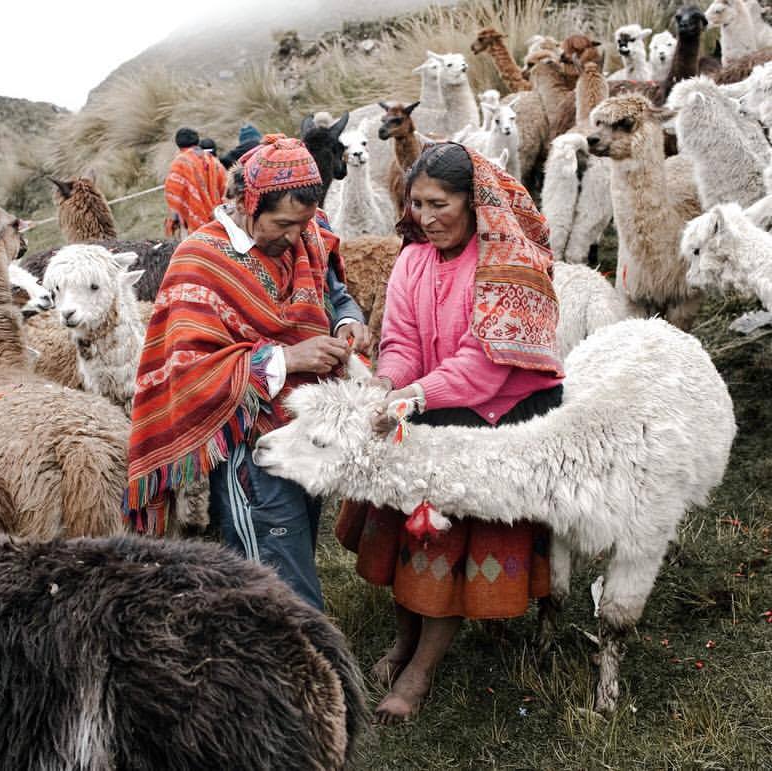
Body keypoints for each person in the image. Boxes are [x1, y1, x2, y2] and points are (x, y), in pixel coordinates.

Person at [336, 142, 565, 722]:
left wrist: (412, 397)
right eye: (416, 204)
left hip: (498, 419)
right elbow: (403, 340)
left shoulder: (508, 267)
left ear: (474, 202)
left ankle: (420, 670)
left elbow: (486, 366)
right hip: (434, 403)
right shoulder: (413, 259)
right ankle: (406, 637)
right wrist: (384, 382)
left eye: (440, 204)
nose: (426, 217)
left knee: (444, 545)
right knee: (404, 531)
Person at [127, 134, 370, 610]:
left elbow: (333, 292)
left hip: (307, 429)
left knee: (293, 544)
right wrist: (288, 359)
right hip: (249, 445)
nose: (295, 237)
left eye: (303, 224)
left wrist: (348, 321)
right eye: (282, 223)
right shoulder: (200, 261)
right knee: (276, 574)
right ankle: (301, 667)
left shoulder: (309, 235)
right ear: (245, 202)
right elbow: (189, 371)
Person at [163, 127, 226, 238]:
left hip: (192, 222)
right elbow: (225, 188)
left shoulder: (180, 163)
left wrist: (173, 220)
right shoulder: (213, 160)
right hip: (217, 220)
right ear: (197, 141)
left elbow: (173, 193)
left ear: (178, 144)